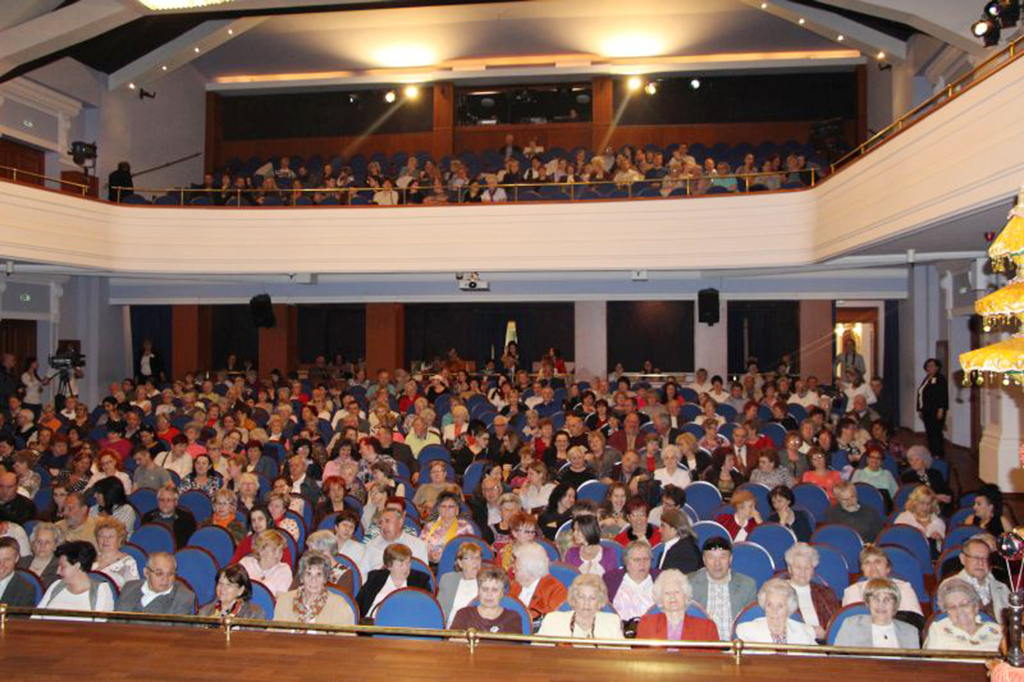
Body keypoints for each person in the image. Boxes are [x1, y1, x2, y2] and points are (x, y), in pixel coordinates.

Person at [688, 536, 758, 640]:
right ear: (704, 559)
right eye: (711, 557)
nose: (717, 563)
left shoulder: (747, 585)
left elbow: (751, 623)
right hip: (702, 646)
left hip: (735, 646)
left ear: (730, 559)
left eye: (722, 557)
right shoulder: (689, 583)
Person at [275, 550, 356, 627]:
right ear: (302, 578)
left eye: (319, 574)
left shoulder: (339, 606)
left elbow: (347, 639)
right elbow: (274, 634)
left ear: (325, 579)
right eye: (309, 574)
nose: (313, 580)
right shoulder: (284, 600)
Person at [834, 578, 920, 649]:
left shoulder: (910, 631)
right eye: (875, 599)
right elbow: (838, 661)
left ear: (895, 605)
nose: (881, 604)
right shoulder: (851, 626)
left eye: (887, 599)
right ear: (868, 603)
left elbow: (916, 666)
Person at [36, 541, 115, 617]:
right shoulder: (56, 585)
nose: (58, 572)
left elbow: (100, 626)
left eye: (63, 567)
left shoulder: (101, 590)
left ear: (77, 566)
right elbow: (36, 617)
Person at [637, 569, 719, 642]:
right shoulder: (647, 624)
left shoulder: (706, 628)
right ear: (660, 598)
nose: (672, 596)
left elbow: (715, 658)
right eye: (667, 593)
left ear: (685, 595)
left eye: (676, 592)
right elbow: (640, 657)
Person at [537, 573, 624, 641]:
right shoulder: (553, 621)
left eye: (592, 598)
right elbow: (537, 654)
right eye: (581, 597)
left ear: (599, 602)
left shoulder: (612, 622)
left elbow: (622, 657)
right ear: (574, 599)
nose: (586, 603)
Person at [780, 543, 840, 640]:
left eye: (807, 568)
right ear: (789, 568)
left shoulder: (825, 592)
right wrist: (810, 631)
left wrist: (827, 635)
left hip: (823, 646)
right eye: (798, 567)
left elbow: (836, 626)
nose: (803, 572)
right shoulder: (778, 592)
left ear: (813, 569)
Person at [842, 545, 923, 617]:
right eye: (867, 563)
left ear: (888, 568)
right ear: (862, 570)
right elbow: (850, 624)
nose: (872, 566)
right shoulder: (852, 591)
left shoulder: (904, 588)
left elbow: (916, 621)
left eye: (878, 562)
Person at [357, 543, 432, 620]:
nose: (406, 568)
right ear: (389, 566)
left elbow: (428, 609)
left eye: (408, 563)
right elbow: (358, 605)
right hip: (373, 625)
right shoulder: (375, 578)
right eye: (401, 565)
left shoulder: (420, 580)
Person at [924, 577, 1002, 651]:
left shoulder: (997, 630)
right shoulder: (938, 629)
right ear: (947, 612)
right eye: (952, 607)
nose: (959, 610)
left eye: (964, 604)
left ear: (975, 607)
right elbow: (930, 663)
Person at [945, 536, 1010, 622]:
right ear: (963, 559)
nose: (980, 562)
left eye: (985, 558)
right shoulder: (951, 586)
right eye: (975, 557)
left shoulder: (1001, 588)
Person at [735, 578, 817, 645]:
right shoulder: (747, 631)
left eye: (780, 606)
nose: (774, 611)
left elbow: (822, 661)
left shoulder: (804, 632)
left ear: (789, 608)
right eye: (769, 605)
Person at [116, 552, 197, 616]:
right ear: (146, 572)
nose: (165, 579)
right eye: (159, 573)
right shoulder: (129, 587)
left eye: (170, 574)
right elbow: (114, 622)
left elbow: (177, 634)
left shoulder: (183, 597)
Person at [450, 565, 522, 633]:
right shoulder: (463, 615)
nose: (489, 594)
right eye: (485, 589)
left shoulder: (512, 618)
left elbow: (512, 646)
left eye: (494, 590)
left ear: (502, 593)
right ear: (478, 591)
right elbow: (453, 643)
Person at [360, 508, 429, 575]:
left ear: (400, 522)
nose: (383, 526)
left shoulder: (418, 545)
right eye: (381, 523)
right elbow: (362, 573)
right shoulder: (371, 545)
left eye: (387, 521)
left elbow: (423, 575)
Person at [510, 541, 567, 621]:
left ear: (529, 572)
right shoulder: (514, 585)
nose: (513, 571)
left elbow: (558, 621)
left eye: (516, 569)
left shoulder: (554, 589)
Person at [604, 541, 657, 622]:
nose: (642, 564)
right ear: (627, 562)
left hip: (652, 630)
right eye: (637, 560)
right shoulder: (611, 580)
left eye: (646, 559)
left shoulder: (661, 579)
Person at [420, 490, 474, 565]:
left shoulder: (465, 527)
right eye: (443, 506)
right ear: (438, 509)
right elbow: (420, 548)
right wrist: (431, 556)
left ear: (457, 510)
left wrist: (445, 556)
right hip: (429, 565)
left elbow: (469, 552)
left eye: (451, 506)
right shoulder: (429, 526)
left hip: (455, 566)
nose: (447, 510)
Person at [437, 542, 483, 626]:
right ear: (460, 563)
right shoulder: (448, 580)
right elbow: (440, 612)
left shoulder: (486, 582)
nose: (475, 562)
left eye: (478, 558)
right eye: (470, 558)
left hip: (476, 630)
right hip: (450, 630)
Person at [198, 564, 266, 620]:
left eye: (229, 585)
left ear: (241, 590)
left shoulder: (254, 614)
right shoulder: (204, 612)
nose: (223, 588)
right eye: (220, 583)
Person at [239, 530, 293, 598]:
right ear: (261, 550)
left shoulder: (284, 571)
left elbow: (280, 602)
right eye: (273, 550)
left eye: (280, 551)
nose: (277, 555)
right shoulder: (245, 563)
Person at [894, 485, 945, 556]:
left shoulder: (938, 522)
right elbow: (896, 541)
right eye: (922, 503)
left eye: (928, 504)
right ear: (914, 503)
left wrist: (939, 539)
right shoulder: (903, 518)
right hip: (908, 555)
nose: (925, 507)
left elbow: (942, 549)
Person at [141, 485, 197, 549]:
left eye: (169, 500)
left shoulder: (186, 519)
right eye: (162, 500)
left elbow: (189, 544)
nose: (165, 503)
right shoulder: (148, 517)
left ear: (176, 502)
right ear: (157, 502)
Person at [92, 517, 139, 588]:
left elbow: (132, 592)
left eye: (110, 536)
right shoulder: (90, 558)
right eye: (101, 536)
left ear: (119, 539)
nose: (105, 540)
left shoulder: (127, 562)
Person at [917, 358, 948, 457]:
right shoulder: (927, 378)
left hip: (936, 411)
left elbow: (942, 395)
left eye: (932, 365)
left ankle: (938, 454)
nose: (930, 367)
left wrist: (941, 409)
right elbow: (921, 394)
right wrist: (920, 409)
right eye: (928, 366)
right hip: (927, 411)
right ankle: (932, 452)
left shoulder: (940, 379)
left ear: (937, 367)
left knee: (936, 433)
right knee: (930, 433)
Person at [657, 508, 702, 574]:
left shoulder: (684, 552)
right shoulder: (676, 547)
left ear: (674, 529)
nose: (659, 530)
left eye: (663, 526)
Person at [19, 522, 61, 589]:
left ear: (55, 545)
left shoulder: (60, 567)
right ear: (33, 543)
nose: (42, 545)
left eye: (47, 542)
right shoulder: (21, 562)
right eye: (39, 541)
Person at [0, 536, 36, 606]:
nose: (1, 565)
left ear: (16, 558)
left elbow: (18, 617)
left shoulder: (25, 590)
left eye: (7, 560)